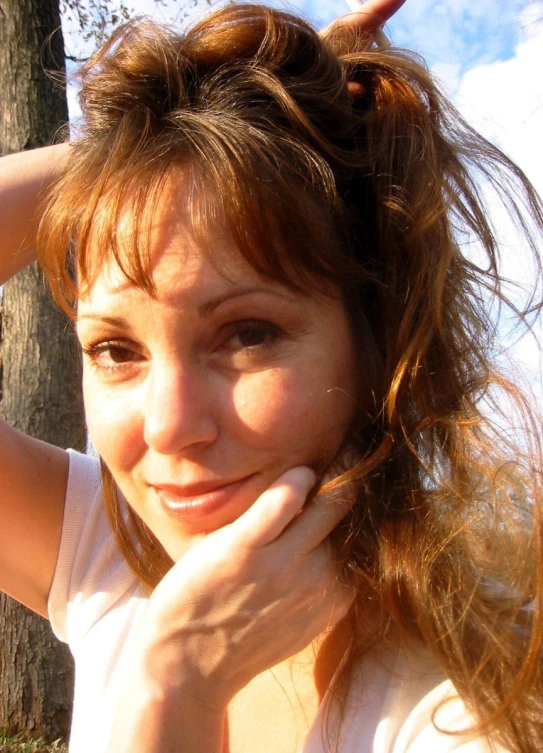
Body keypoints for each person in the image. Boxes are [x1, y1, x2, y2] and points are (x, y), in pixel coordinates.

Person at [1, 1, 542, 751]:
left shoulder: (468, 712)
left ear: (380, 340)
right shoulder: (114, 551)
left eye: (246, 334)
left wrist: (177, 684)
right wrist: (139, 148)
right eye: (116, 350)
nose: (168, 426)